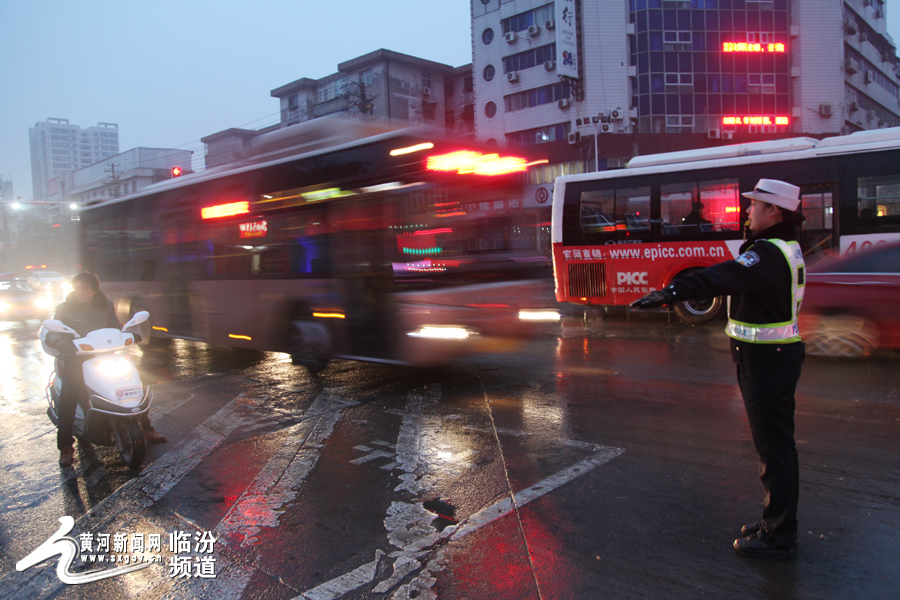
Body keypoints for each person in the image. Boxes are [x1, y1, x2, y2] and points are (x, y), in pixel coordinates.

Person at [631, 179, 806, 560]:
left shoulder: (769, 253)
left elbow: (724, 275)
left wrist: (672, 291)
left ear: (773, 211)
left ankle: (778, 536)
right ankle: (776, 522)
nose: (747, 211)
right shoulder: (783, 247)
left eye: (754, 205)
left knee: (774, 451)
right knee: (776, 448)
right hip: (771, 357)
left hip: (767, 361)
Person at [44, 272, 167, 468]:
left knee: (136, 384)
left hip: (106, 356)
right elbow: (52, 333)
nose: (80, 292)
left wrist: (128, 334)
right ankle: (66, 446)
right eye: (77, 288)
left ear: (94, 290)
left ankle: (147, 428)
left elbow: (115, 326)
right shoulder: (65, 308)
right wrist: (62, 343)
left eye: (84, 288)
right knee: (69, 396)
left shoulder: (106, 305)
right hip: (76, 358)